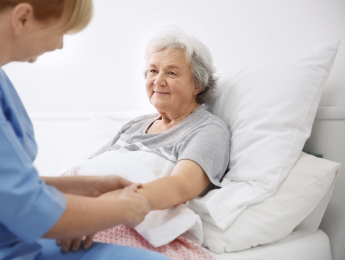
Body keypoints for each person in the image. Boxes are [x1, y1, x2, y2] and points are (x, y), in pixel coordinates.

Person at [0, 0, 171, 259]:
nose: (60, 45)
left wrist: (87, 187)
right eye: (61, 31)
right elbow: (28, 206)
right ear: (23, 17)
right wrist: (126, 210)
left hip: (13, 236)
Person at [62, 26, 231, 249]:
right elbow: (86, 171)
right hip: (82, 212)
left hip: (127, 223)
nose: (158, 80)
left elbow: (180, 186)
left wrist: (101, 210)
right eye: (152, 71)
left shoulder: (208, 130)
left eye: (171, 73)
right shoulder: (135, 126)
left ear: (197, 85)